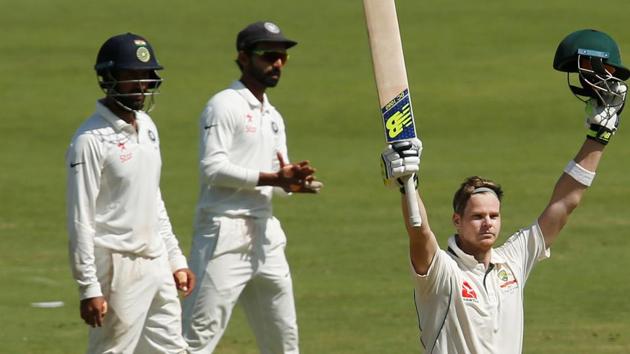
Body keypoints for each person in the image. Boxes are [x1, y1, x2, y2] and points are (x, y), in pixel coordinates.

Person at [380, 29, 628, 353]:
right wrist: (408, 185)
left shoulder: (511, 261)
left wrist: (599, 137)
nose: (488, 223)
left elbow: (565, 203)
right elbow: (418, 231)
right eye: (478, 216)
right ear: (457, 221)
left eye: (494, 216)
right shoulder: (442, 273)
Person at [182, 21, 322, 354]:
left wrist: (293, 183)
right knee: (195, 340)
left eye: (282, 58)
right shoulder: (223, 105)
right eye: (268, 56)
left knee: (283, 342)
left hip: (265, 236)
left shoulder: (272, 115)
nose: (276, 64)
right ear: (244, 58)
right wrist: (275, 179)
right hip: (223, 231)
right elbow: (212, 168)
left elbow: (277, 177)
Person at [66, 32, 195, 354]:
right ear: (108, 78)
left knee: (173, 350)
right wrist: (88, 288)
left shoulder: (148, 127)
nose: (141, 84)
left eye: (146, 75)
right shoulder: (89, 140)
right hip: (117, 266)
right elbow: (80, 219)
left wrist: (175, 258)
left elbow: (153, 198)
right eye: (131, 76)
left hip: (156, 260)